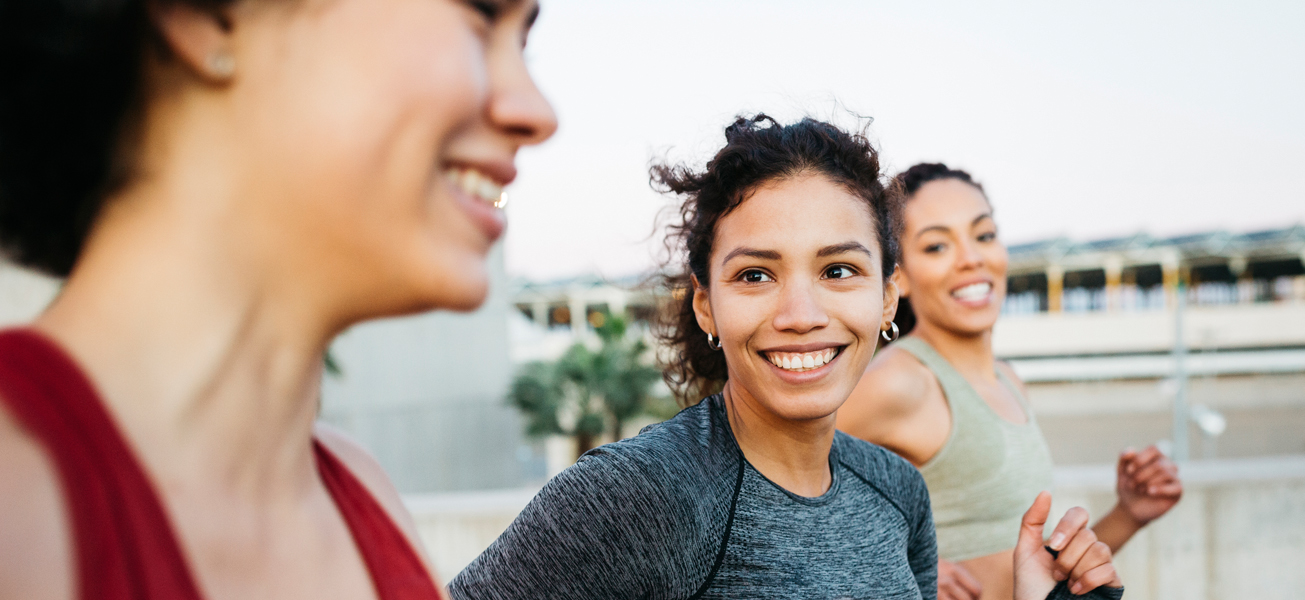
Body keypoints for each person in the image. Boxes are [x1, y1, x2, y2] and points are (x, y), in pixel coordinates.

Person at [0, 0, 556, 598]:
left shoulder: (365, 497)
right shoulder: (17, 504)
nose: (537, 112)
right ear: (208, 15)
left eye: (522, 42)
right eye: (481, 17)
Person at [449, 116, 1122, 600]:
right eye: (755, 276)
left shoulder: (899, 493)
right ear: (705, 304)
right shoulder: (642, 494)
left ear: (888, 297)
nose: (801, 315)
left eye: (837, 271)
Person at [838, 163, 1183, 600]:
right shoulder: (898, 381)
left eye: (983, 235)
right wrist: (892, 565)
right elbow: (777, 486)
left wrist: (1129, 514)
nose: (971, 258)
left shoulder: (1009, 379)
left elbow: (1035, 572)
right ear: (899, 276)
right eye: (937, 245)